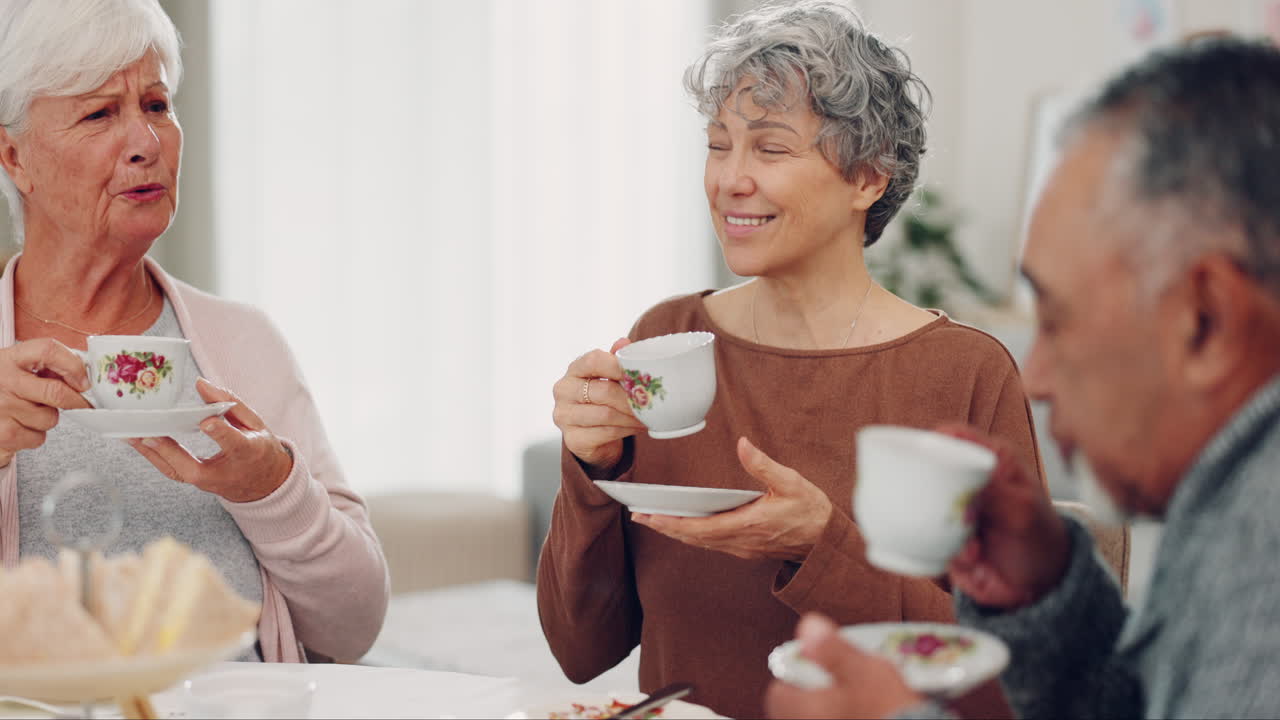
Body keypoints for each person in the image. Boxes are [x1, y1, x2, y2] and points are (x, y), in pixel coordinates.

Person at [538, 2, 1043, 717]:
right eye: (719, 146)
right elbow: (579, 651)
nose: (729, 180)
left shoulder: (964, 373)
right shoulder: (668, 337)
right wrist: (591, 470)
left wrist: (822, 546)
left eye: (769, 150)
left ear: (867, 178)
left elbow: (1014, 674)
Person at [764, 37, 1280, 720]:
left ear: (1206, 320)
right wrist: (1047, 598)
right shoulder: (1227, 498)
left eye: (1058, 320)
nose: (1034, 378)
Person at [0, 0, 388, 663]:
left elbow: (353, 629)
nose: (147, 141)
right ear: (14, 157)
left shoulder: (244, 342)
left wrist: (272, 487)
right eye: (100, 114)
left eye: (156, 104)